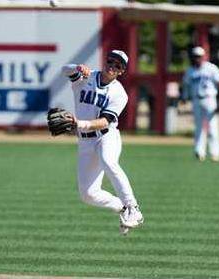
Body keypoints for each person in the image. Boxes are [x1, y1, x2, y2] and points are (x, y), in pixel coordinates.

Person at [61, 50, 143, 235]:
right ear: (105, 61)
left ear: (121, 71)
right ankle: (121, 207)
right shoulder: (85, 77)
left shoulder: (119, 93)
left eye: (118, 65)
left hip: (106, 136)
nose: (112, 66)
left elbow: (105, 121)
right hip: (85, 142)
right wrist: (77, 67)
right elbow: (64, 70)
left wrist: (79, 124)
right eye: (110, 61)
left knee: (108, 161)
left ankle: (133, 209)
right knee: (88, 194)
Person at [181, 46, 219, 162]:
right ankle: (199, 151)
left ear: (203, 57)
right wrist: (184, 98)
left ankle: (215, 152)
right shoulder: (190, 71)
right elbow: (185, 86)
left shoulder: (211, 68)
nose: (197, 59)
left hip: (209, 98)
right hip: (196, 100)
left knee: (212, 126)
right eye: (195, 56)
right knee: (199, 127)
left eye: (199, 56)